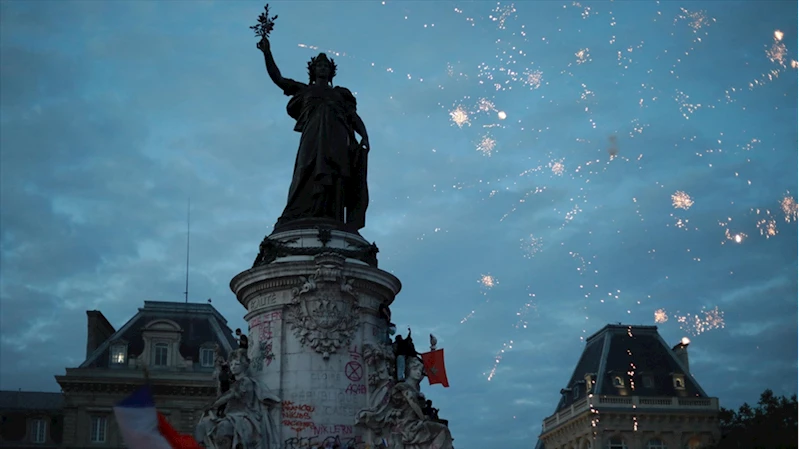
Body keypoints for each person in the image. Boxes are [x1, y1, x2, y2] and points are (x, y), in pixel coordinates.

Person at [257, 36, 371, 231]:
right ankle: (301, 212)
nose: (323, 69)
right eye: (319, 66)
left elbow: (353, 117)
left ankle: (333, 216)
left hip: (337, 137)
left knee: (336, 173)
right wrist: (267, 53)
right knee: (306, 168)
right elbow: (279, 79)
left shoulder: (341, 94)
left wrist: (364, 135)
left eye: (326, 66)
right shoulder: (304, 90)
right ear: (313, 70)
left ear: (331, 71)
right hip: (312, 134)